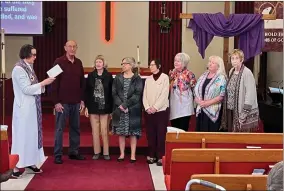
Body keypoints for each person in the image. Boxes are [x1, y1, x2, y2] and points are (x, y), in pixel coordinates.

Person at [11, 44, 55, 178]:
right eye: (33, 55)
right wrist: (43, 83)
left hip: (32, 108)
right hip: (24, 109)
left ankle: (30, 162)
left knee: (32, 135)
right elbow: (26, 89)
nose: (35, 57)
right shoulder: (19, 69)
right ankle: (16, 167)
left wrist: (42, 84)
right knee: (22, 137)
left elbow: (31, 86)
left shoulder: (29, 67)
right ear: (26, 54)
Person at [51, 40, 86, 164]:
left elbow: (82, 83)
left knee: (75, 128)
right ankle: (58, 155)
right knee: (59, 129)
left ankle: (74, 152)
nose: (72, 49)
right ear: (65, 48)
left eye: (74, 47)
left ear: (76, 48)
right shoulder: (58, 62)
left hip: (76, 102)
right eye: (69, 46)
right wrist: (56, 102)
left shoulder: (79, 62)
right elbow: (53, 82)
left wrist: (82, 100)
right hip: (62, 103)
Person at [112, 57, 143, 163]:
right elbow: (114, 93)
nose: (123, 65)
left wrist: (126, 105)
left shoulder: (137, 78)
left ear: (131, 65)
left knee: (133, 133)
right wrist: (121, 105)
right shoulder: (118, 77)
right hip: (120, 109)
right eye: (122, 63)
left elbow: (137, 94)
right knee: (121, 133)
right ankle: (122, 154)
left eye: (125, 64)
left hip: (132, 108)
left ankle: (133, 155)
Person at [221, 49, 259, 132]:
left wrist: (244, 113)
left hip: (241, 109)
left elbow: (250, 94)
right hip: (230, 108)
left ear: (241, 59)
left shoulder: (247, 73)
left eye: (236, 58)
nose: (234, 61)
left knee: (241, 137)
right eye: (232, 58)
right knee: (231, 136)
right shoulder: (231, 71)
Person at [84, 55, 113, 160]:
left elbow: (111, 93)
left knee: (104, 130)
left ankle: (106, 152)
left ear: (104, 64)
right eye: (96, 62)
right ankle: (96, 152)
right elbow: (87, 92)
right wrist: (86, 107)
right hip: (93, 107)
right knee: (95, 131)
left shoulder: (109, 76)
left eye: (100, 62)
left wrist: (112, 109)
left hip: (105, 107)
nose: (98, 63)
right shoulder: (90, 76)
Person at [143, 59, 169, 166]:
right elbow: (144, 95)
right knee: (151, 133)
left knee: (160, 133)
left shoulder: (164, 77)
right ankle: (152, 155)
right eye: (150, 65)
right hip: (149, 111)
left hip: (161, 110)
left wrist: (155, 107)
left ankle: (160, 156)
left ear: (158, 66)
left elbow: (164, 94)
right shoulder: (148, 79)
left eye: (153, 65)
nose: (151, 66)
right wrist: (147, 107)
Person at [194, 56, 227, 132]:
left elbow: (222, 95)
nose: (210, 64)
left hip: (213, 111)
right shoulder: (203, 75)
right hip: (201, 109)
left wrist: (207, 103)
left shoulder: (221, 78)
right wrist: (199, 101)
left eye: (213, 63)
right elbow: (195, 91)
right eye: (209, 62)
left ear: (218, 66)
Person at [169, 53, 196, 131]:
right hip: (174, 104)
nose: (176, 62)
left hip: (185, 105)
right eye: (175, 60)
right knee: (174, 128)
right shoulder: (172, 74)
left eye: (179, 61)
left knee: (183, 128)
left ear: (184, 63)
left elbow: (195, 90)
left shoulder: (190, 74)